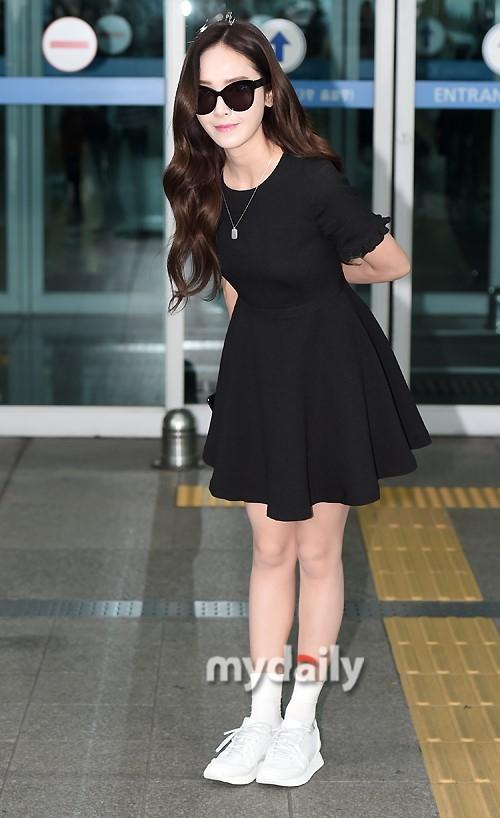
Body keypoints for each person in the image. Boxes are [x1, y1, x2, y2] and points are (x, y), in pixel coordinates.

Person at [162, 12, 432, 789]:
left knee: (316, 551)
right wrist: (249, 372)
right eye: (206, 94)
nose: (221, 108)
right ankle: (259, 717)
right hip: (260, 370)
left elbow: (391, 263)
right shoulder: (205, 185)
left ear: (268, 92)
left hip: (328, 369)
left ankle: (302, 723)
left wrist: (319, 273)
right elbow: (234, 287)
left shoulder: (312, 180)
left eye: (237, 90)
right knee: (268, 549)